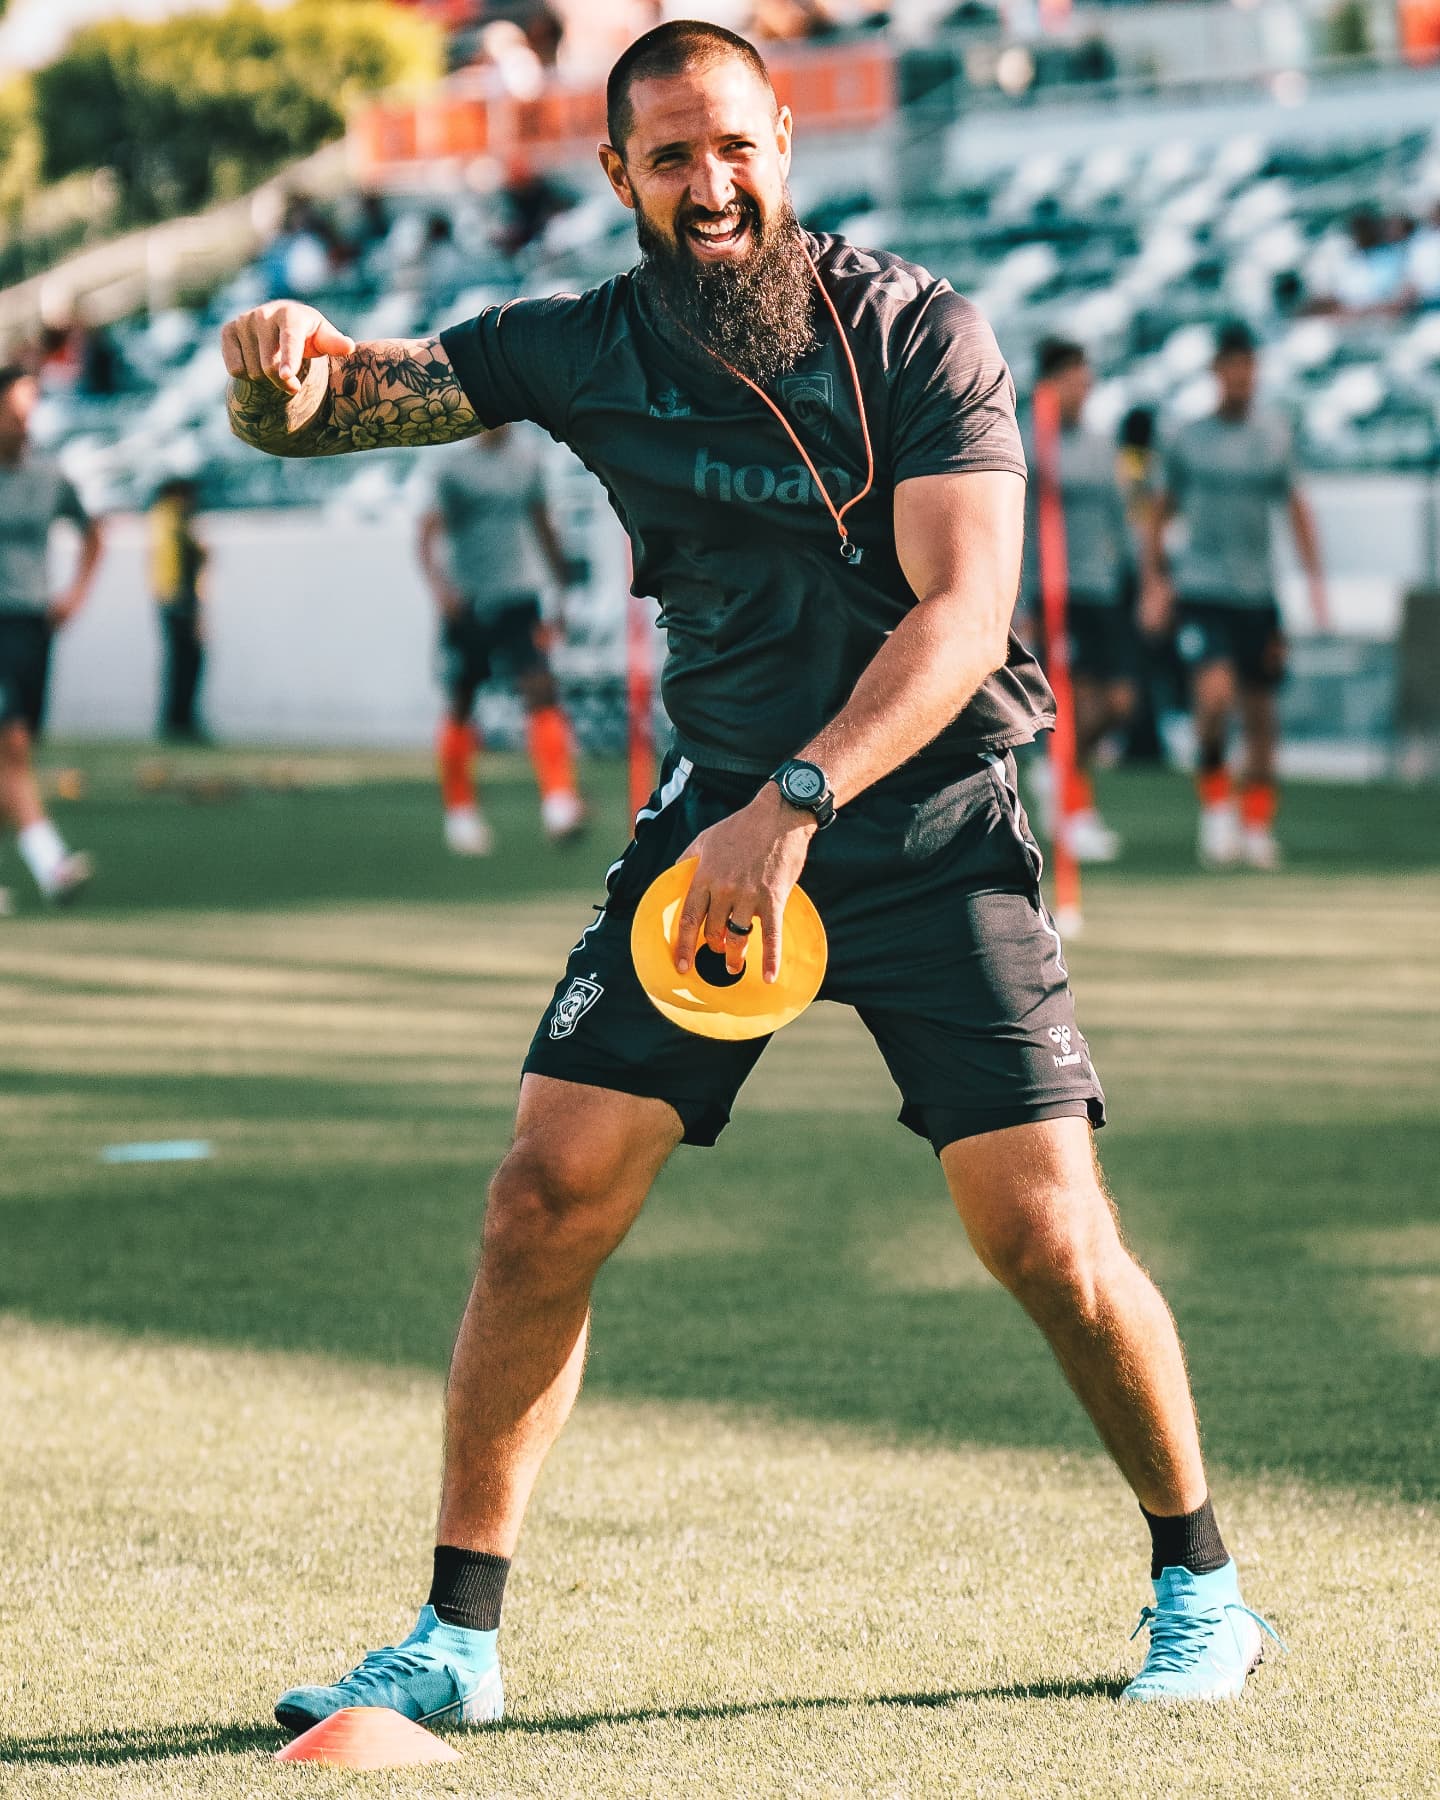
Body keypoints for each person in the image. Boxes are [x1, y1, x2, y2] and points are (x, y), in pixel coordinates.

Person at [221, 21, 1279, 1720]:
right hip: (714, 836)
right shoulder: (575, 347)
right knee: (543, 1195)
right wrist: (268, 376)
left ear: (786, 138)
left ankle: (1202, 1588)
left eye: (736, 147)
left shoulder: (920, 332)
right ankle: (458, 1643)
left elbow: (964, 615)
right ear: (618, 177)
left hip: (923, 830)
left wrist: (795, 801)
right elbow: (333, 410)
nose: (710, 186)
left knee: (1048, 1237)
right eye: (670, 159)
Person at [1143, 321, 1327, 870]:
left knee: (1262, 715)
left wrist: (1316, 582)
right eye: (1233, 368)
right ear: (1216, 373)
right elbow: (1160, 509)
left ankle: (1257, 823)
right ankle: (1217, 813)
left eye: (1250, 367)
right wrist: (1155, 579)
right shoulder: (1188, 437)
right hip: (1203, 589)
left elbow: (1295, 507)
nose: (1242, 378)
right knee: (1214, 699)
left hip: (1258, 595)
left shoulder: (1274, 434)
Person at [417, 424, 586, 852]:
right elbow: (426, 533)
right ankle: (460, 812)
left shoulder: (528, 460)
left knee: (540, 691)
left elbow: (543, 524)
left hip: (520, 596)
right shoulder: (453, 466)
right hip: (470, 600)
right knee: (462, 703)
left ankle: (559, 804)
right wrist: (442, 592)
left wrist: (561, 591)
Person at [1022, 338, 1136, 862]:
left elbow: (1120, 515)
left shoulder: (1100, 444)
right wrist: (1020, 602)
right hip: (1052, 591)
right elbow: (1014, 524)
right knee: (1070, 704)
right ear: (1051, 384)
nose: (1085, 390)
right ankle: (1074, 806)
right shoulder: (1023, 440)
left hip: (1101, 589)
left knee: (1116, 703)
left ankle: (1056, 774)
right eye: (1076, 380)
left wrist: (1147, 579)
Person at [0, 366, 102, 906]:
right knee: (11, 744)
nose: (23, 421)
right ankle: (52, 865)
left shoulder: (49, 477)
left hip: (31, 626)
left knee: (14, 754)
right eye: (13, 410)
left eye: (29, 409)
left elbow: (92, 533)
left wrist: (75, 594)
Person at [149, 477, 209, 743]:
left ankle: (176, 720)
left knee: (177, 662)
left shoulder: (159, 520)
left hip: (168, 599)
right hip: (180, 600)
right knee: (188, 662)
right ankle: (182, 721)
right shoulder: (176, 523)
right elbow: (186, 566)